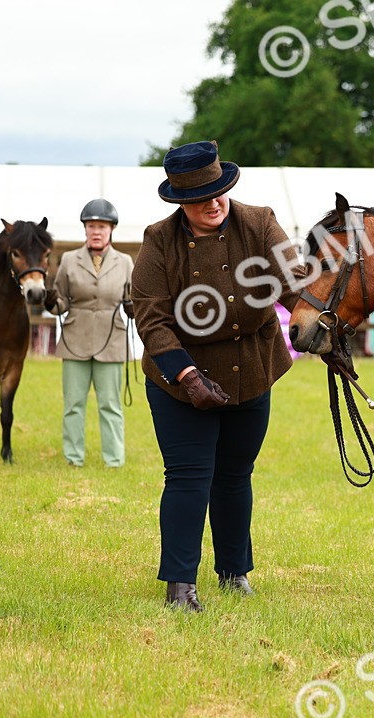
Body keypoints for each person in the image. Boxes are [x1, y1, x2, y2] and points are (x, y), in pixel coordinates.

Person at [132, 141, 303, 612]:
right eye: (203, 196)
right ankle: (180, 587)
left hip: (252, 370)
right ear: (180, 202)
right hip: (180, 379)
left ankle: (234, 573)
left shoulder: (260, 221)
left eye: (221, 191)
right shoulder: (158, 241)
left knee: (234, 476)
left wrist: (322, 327)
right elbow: (151, 318)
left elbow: (295, 284)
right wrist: (188, 377)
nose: (216, 202)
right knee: (188, 477)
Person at [44, 199, 135, 468]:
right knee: (73, 404)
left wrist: (133, 309)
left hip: (111, 339)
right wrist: (51, 302)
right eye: (92, 226)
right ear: (85, 229)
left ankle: (114, 459)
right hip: (75, 340)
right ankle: (73, 458)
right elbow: (61, 302)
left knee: (110, 405)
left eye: (102, 227)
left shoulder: (125, 262)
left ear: (111, 230)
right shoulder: (69, 260)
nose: (96, 231)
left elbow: (132, 302)